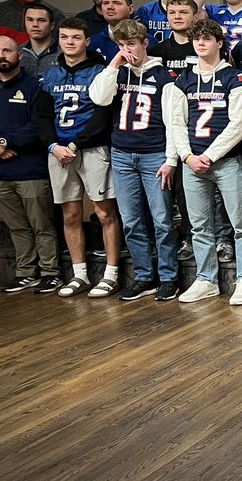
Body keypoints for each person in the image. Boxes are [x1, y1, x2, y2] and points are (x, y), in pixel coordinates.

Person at [90, 19, 181, 302]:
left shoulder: (164, 76)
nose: (127, 49)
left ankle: (169, 277)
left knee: (162, 219)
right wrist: (114, 63)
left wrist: (170, 159)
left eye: (131, 43)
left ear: (145, 43)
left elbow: (173, 122)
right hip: (122, 154)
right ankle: (144, 276)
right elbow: (99, 98)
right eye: (121, 44)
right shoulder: (118, 73)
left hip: (154, 154)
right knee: (131, 220)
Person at [172, 18, 242, 305]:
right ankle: (206, 279)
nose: (200, 43)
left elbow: (238, 125)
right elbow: (176, 123)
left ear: (219, 43)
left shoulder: (235, 78)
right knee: (198, 226)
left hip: (227, 162)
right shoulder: (183, 79)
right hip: (192, 163)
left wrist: (208, 156)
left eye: (207, 39)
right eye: (197, 39)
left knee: (241, 224)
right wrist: (187, 156)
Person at [35, 17, 120, 297]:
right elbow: (43, 116)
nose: (69, 42)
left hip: (91, 148)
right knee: (70, 213)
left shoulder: (99, 71)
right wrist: (53, 146)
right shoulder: (49, 75)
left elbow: (102, 115)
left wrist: (76, 145)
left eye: (75, 38)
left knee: (104, 211)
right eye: (64, 37)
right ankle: (79, 273)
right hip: (59, 152)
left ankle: (111, 273)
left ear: (86, 41)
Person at [0, 35, 60, 293]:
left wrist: (6, 142)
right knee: (17, 226)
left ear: (19, 55)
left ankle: (50, 272)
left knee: (42, 226)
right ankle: (25, 271)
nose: (1, 55)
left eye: (7, 50)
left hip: (31, 170)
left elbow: (38, 125)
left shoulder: (35, 87)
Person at [89, 0, 134, 65]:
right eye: (105, 3)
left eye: (116, 3)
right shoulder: (92, 42)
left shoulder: (145, 41)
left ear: (130, 9)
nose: (110, 7)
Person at [19, 2, 59, 75]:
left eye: (41, 20)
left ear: (52, 25)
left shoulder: (64, 53)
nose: (35, 24)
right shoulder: (17, 54)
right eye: (30, 20)